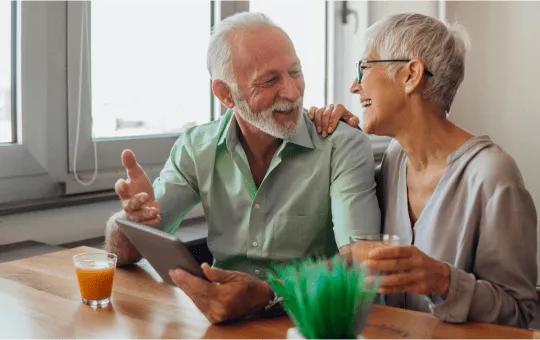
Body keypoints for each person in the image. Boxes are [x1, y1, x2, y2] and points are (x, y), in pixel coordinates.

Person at [104, 12, 380, 324]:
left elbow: (361, 264)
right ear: (225, 94)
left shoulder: (341, 144)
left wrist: (267, 295)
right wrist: (131, 219)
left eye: (295, 72)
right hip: (222, 322)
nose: (292, 92)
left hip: (311, 321)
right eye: (270, 80)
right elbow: (125, 254)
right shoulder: (197, 147)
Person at [309, 13, 537, 328]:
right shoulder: (394, 159)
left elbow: (523, 315)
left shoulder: (493, 175)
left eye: (363, 69)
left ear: (411, 75)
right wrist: (336, 134)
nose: (353, 86)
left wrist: (444, 281)